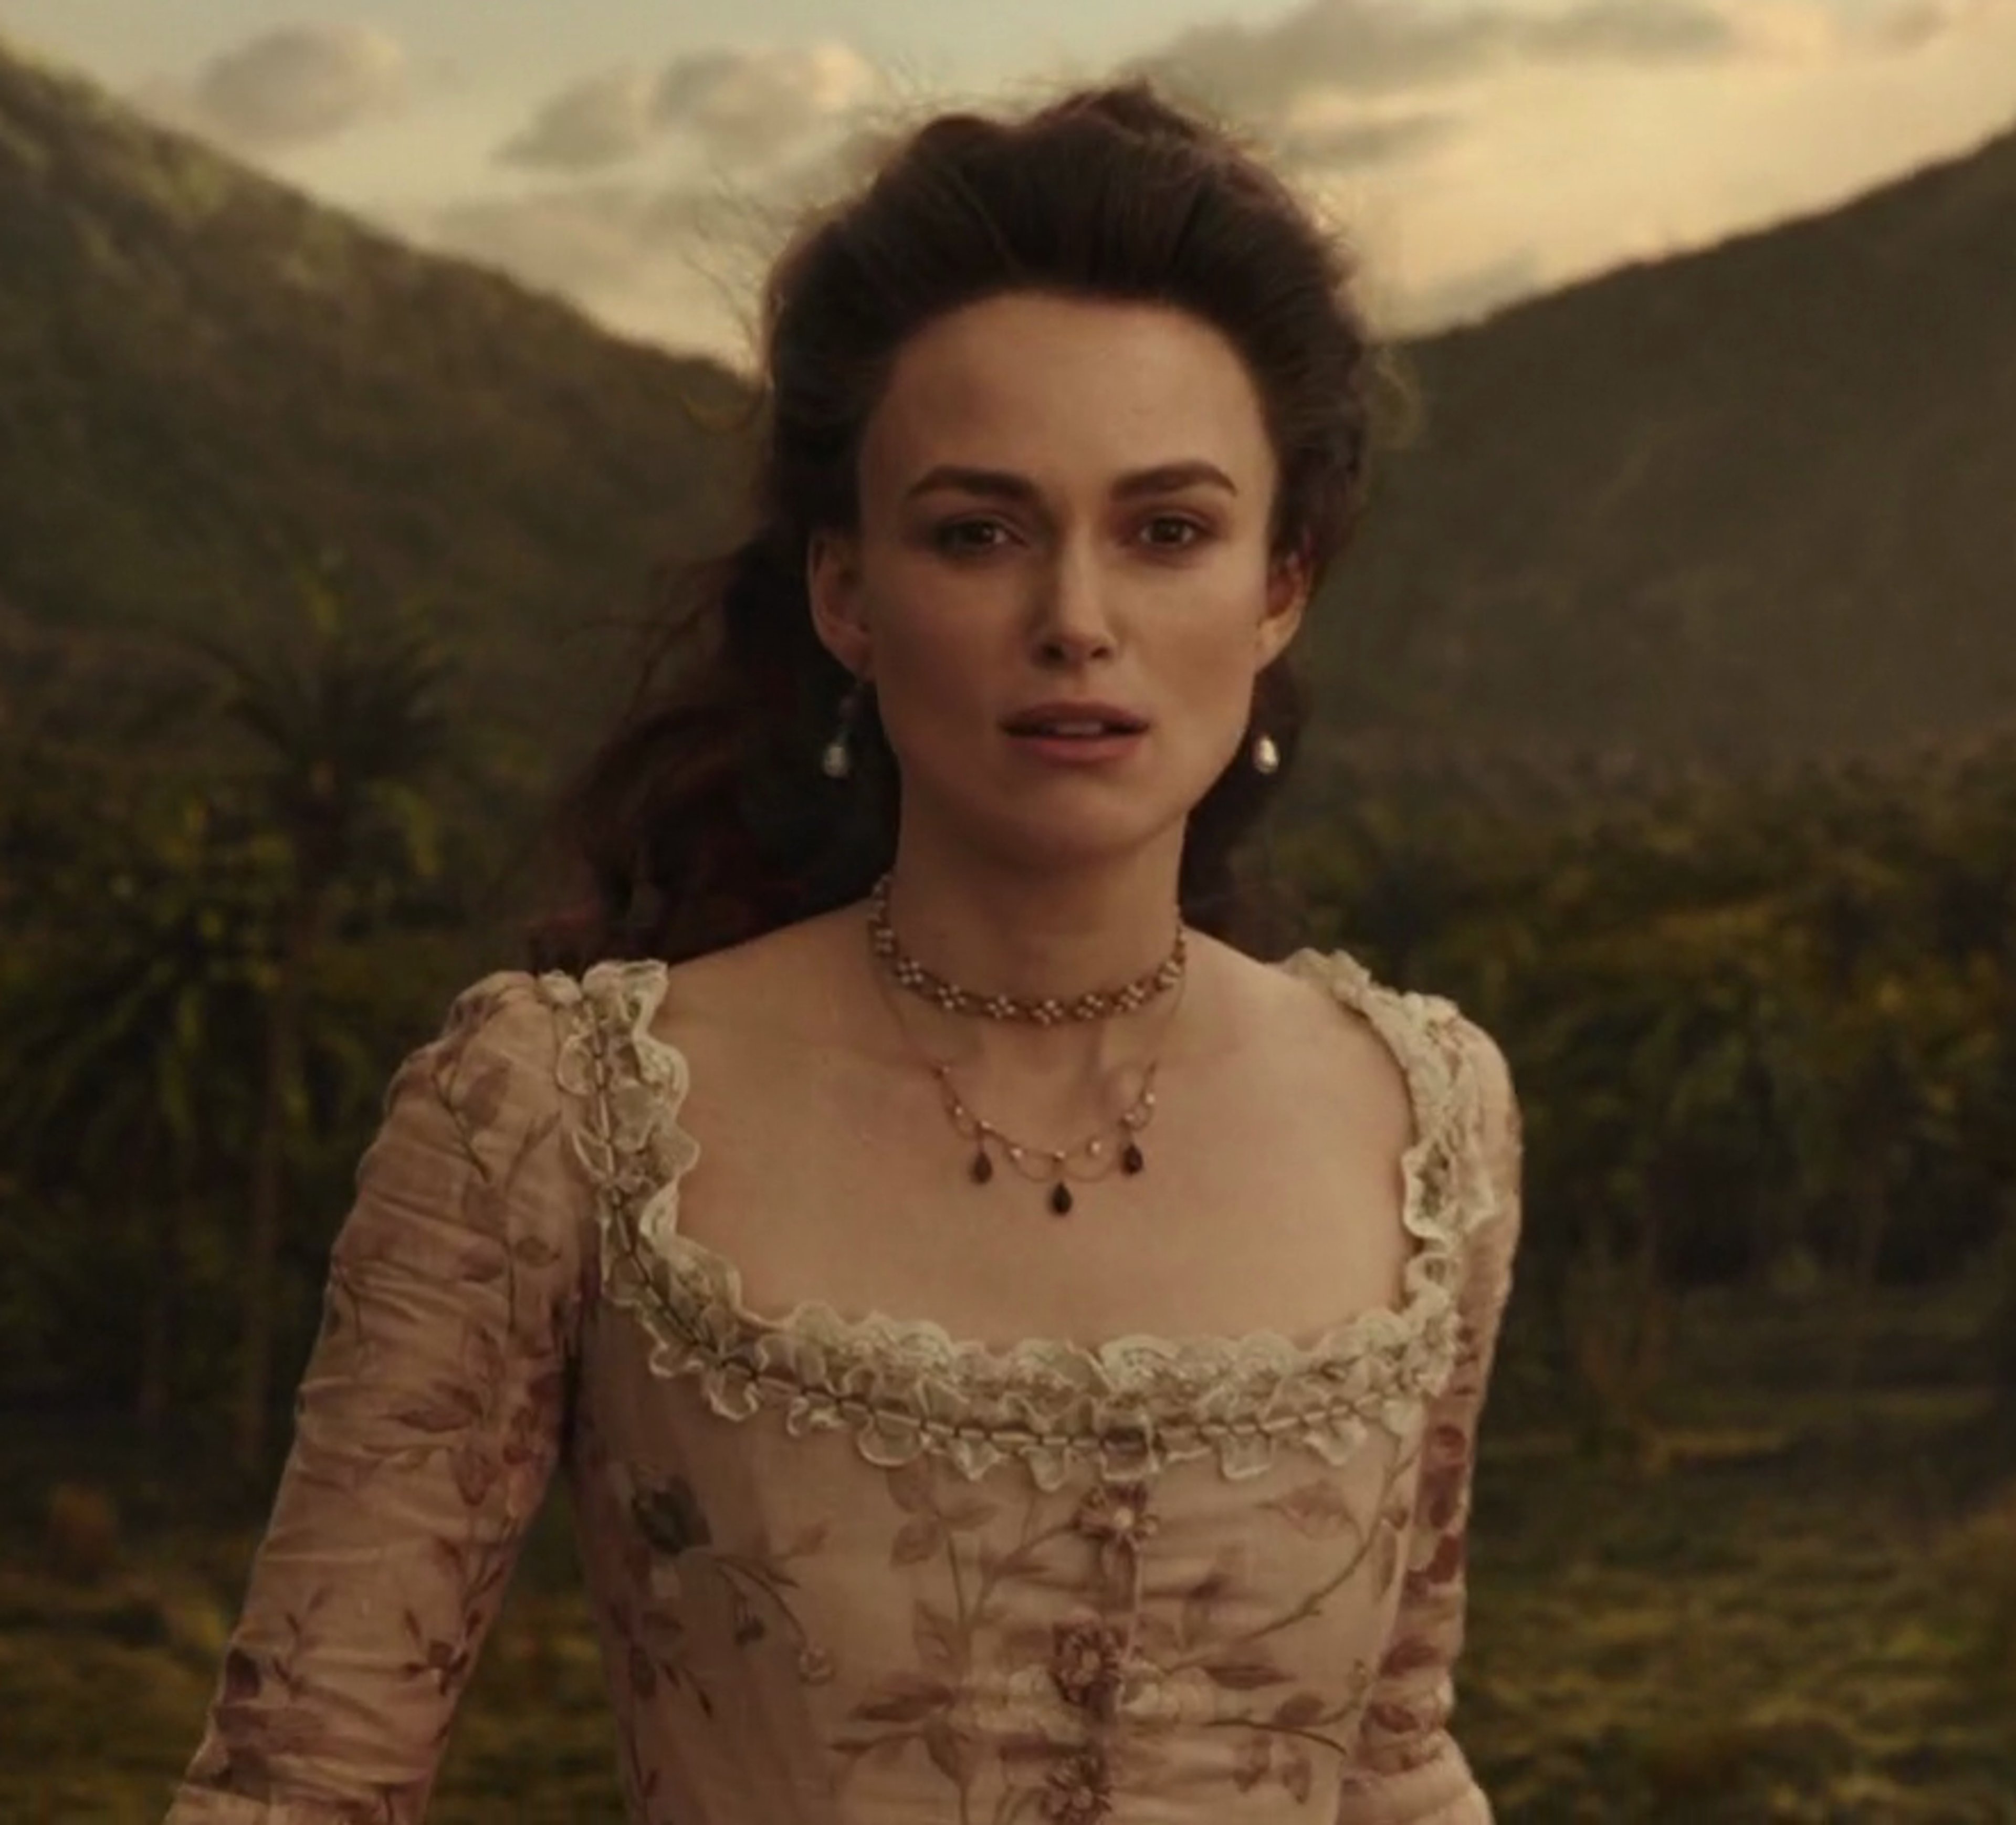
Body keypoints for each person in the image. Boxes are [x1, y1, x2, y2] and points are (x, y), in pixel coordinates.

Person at [165, 75, 1522, 1825]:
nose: (1078, 622)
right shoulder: (553, 1122)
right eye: (979, 532)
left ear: (1282, 584)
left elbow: (1396, 1757)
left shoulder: (1425, 1120)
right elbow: (304, 1782)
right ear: (846, 591)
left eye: (1168, 530)